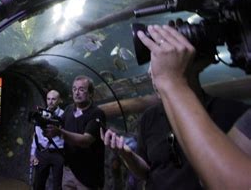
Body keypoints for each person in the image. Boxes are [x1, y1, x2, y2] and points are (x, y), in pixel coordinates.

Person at [100, 49, 249, 189]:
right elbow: (145, 172)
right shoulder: (149, 117)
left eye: (158, 73)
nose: (154, 81)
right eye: (152, 75)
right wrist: (126, 155)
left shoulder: (233, 113)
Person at [136, 24, 251, 188]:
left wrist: (171, 82)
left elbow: (224, 182)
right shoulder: (150, 118)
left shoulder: (234, 113)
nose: (152, 71)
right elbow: (208, 177)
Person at [45, 75, 106, 189]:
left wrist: (60, 132)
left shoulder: (97, 113)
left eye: (81, 89)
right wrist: (43, 119)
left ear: (91, 93)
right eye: (74, 89)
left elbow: (86, 140)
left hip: (89, 175)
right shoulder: (69, 109)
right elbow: (58, 122)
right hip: (69, 170)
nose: (77, 93)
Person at [30, 89, 64, 190]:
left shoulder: (64, 115)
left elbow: (67, 137)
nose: (50, 101)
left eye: (53, 99)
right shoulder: (40, 115)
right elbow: (36, 136)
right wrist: (32, 154)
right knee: (38, 183)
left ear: (59, 100)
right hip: (42, 152)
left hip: (58, 152)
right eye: (48, 99)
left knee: (58, 184)